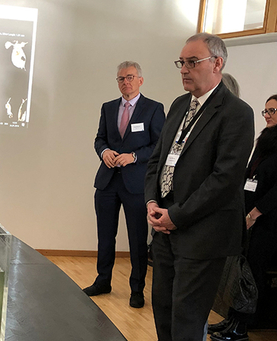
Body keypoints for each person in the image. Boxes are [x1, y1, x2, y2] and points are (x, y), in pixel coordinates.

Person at [144, 33, 255, 341]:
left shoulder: (236, 113)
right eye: (182, 62)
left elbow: (224, 179)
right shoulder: (179, 105)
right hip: (165, 229)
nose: (184, 68)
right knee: (163, 310)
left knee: (187, 318)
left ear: (217, 63)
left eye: (193, 62)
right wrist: (152, 203)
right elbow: (157, 160)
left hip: (203, 234)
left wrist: (176, 215)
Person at [86, 61, 165, 308]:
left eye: (130, 77)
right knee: (105, 235)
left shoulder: (153, 108)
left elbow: (158, 146)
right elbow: (99, 139)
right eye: (120, 78)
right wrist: (104, 151)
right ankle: (103, 280)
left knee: (137, 238)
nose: (125, 82)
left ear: (140, 80)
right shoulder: (108, 108)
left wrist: (134, 157)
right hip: (108, 181)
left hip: (136, 184)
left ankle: (137, 288)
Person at [208, 94, 277, 341]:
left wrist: (256, 213)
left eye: (272, 111)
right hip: (247, 216)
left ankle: (242, 327)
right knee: (239, 269)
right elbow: (249, 172)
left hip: (267, 222)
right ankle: (233, 318)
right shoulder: (264, 140)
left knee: (253, 273)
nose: (267, 115)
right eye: (265, 111)